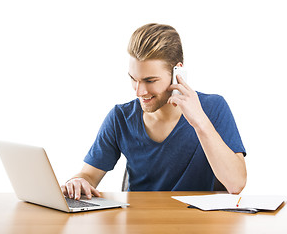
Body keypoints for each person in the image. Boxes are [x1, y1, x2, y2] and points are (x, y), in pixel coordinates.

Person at [61, 23, 247, 200]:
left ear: (177, 73)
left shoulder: (213, 108)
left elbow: (236, 184)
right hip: (138, 223)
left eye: (150, 80)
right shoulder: (120, 117)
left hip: (195, 224)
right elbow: (88, 174)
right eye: (134, 79)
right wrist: (78, 181)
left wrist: (200, 122)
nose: (139, 92)